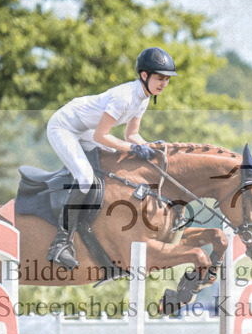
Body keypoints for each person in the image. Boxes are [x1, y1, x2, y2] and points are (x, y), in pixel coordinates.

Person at [44, 46, 177, 269]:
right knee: (86, 177)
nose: (164, 83)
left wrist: (151, 148)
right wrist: (132, 149)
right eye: (160, 78)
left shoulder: (143, 98)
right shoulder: (124, 97)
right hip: (64, 126)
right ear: (144, 76)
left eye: (167, 79)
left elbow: (131, 134)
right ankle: (60, 244)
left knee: (117, 157)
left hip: (85, 129)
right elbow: (101, 135)